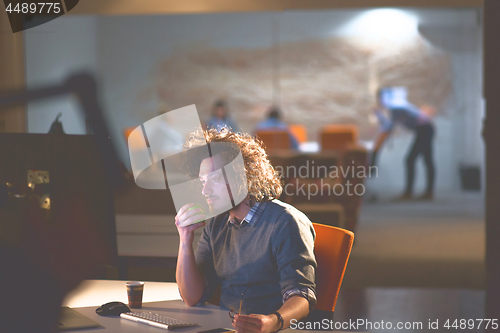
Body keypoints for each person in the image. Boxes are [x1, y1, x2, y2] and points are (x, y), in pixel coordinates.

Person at [174, 129, 316, 333]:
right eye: (203, 182)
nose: (205, 191)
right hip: (224, 327)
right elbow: (192, 297)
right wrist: (185, 240)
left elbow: (302, 295)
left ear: (243, 176)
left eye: (214, 180)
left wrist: (272, 322)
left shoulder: (285, 222)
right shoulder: (216, 224)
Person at [372, 87, 435, 200]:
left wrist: (377, 149)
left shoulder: (396, 106)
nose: (379, 102)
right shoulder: (396, 107)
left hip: (424, 130)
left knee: (412, 160)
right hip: (424, 130)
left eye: (379, 99)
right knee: (426, 160)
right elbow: (390, 125)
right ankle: (426, 192)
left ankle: (410, 193)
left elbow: (389, 127)